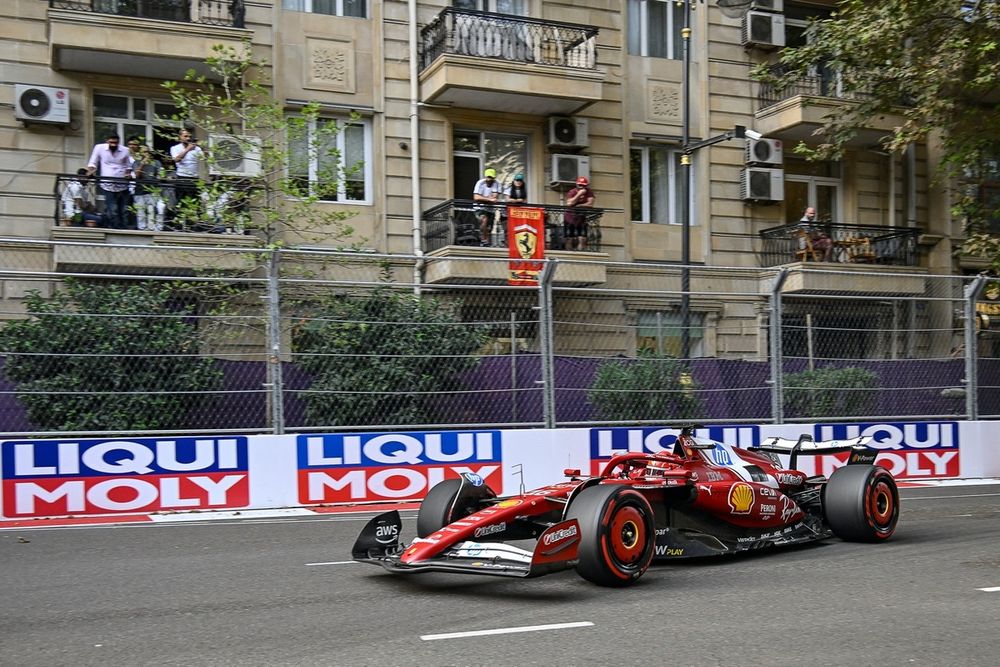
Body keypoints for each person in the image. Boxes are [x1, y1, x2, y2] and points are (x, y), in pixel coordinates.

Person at [86, 132, 132, 229]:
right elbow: (93, 162)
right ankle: (113, 228)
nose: (114, 145)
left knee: (124, 210)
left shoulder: (125, 150)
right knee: (112, 209)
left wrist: (128, 174)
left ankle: (123, 228)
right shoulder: (99, 148)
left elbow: (128, 165)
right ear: (107, 141)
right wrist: (91, 171)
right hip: (108, 184)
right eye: (111, 143)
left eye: (116, 143)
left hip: (122, 185)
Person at [170, 129, 206, 228]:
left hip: (194, 178)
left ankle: (194, 226)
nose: (188, 138)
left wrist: (202, 146)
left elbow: (205, 158)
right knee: (181, 203)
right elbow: (177, 159)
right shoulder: (175, 148)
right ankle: (179, 225)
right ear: (180, 137)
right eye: (185, 136)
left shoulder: (196, 149)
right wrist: (188, 149)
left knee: (195, 203)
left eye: (189, 136)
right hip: (182, 178)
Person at [132, 144, 166, 231]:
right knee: (141, 212)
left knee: (159, 208)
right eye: (144, 152)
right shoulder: (136, 162)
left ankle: (158, 228)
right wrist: (143, 163)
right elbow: (137, 175)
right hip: (140, 191)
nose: (147, 154)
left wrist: (160, 176)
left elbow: (161, 175)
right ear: (140, 153)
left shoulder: (156, 163)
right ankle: (142, 229)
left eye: (148, 152)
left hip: (153, 190)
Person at [472, 167, 502, 246]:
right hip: (479, 207)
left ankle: (487, 241)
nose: (489, 179)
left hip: (490, 209)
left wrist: (483, 198)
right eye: (488, 177)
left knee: (489, 227)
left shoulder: (497, 183)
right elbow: (476, 197)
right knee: (484, 220)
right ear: (485, 177)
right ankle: (483, 239)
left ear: (494, 178)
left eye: (491, 177)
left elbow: (495, 197)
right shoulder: (480, 183)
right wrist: (489, 199)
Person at [563, 176, 595, 250]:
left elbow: (590, 204)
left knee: (582, 238)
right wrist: (579, 194)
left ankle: (581, 252)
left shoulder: (589, 192)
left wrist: (580, 205)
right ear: (577, 184)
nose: (581, 187)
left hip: (582, 217)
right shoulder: (572, 192)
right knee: (569, 237)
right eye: (580, 185)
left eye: (584, 185)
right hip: (570, 217)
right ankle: (569, 252)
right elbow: (569, 203)